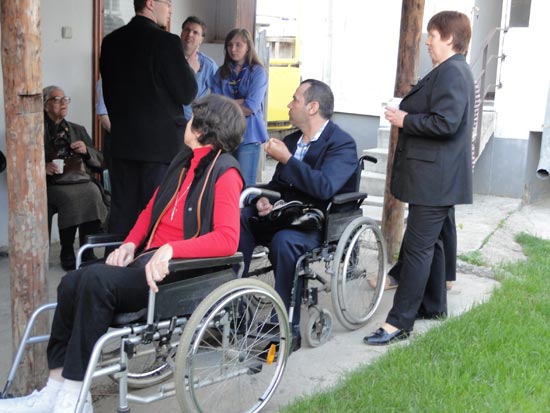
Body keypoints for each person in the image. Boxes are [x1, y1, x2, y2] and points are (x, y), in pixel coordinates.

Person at [0, 94, 245, 413]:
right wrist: (129, 244)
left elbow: (228, 239)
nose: (187, 122)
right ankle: (54, 389)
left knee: (96, 283)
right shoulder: (182, 162)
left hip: (176, 275)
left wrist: (172, 249)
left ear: (202, 129)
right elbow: (150, 211)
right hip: (146, 261)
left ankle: (74, 396)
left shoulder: (226, 173)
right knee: (71, 282)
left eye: (192, 119)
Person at [364, 11, 475, 346]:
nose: (427, 42)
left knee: (416, 249)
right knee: (434, 244)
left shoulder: (453, 71)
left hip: (434, 180)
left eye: (433, 35)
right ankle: (433, 306)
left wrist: (405, 119)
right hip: (435, 178)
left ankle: (399, 322)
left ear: (450, 39)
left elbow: (446, 123)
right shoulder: (450, 70)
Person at [239, 79, 358, 351]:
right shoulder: (292, 140)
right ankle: (232, 304)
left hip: (314, 224)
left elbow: (325, 187)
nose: (289, 105)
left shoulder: (341, 144)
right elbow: (278, 186)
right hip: (285, 215)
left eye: (295, 99)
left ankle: (284, 323)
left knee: (284, 241)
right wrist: (263, 199)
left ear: (312, 107)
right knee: (243, 217)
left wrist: (288, 160)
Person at [100, 0, 198, 239]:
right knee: (157, 216)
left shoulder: (111, 42)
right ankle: (150, 263)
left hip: (123, 143)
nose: (170, 9)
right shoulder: (166, 42)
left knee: (123, 215)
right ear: (151, 3)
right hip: (160, 148)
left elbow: (109, 93)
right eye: (167, 3)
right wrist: (191, 70)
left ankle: (117, 261)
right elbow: (186, 93)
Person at [43, 85, 108, 271]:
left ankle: (87, 249)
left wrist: (86, 151)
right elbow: (26, 161)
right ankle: (67, 250)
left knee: (93, 193)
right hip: (53, 184)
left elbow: (100, 161)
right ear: (45, 106)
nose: (63, 103)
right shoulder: (36, 131)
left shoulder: (77, 130)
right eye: (57, 100)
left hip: (80, 179)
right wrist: (43, 168)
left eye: (65, 99)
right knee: (70, 198)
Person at [212, 28, 269, 187]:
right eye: (230, 45)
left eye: (238, 45)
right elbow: (214, 105)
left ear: (248, 47)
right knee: (224, 183)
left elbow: (251, 107)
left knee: (244, 186)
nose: (233, 49)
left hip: (249, 136)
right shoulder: (221, 72)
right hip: (224, 135)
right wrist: (240, 101)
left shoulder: (258, 72)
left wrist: (226, 102)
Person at [180, 16, 218, 121]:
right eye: (187, 30)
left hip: (193, 122)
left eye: (195, 32)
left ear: (201, 39)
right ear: (181, 33)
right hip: (169, 120)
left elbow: (218, 95)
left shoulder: (208, 65)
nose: (190, 34)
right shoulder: (168, 58)